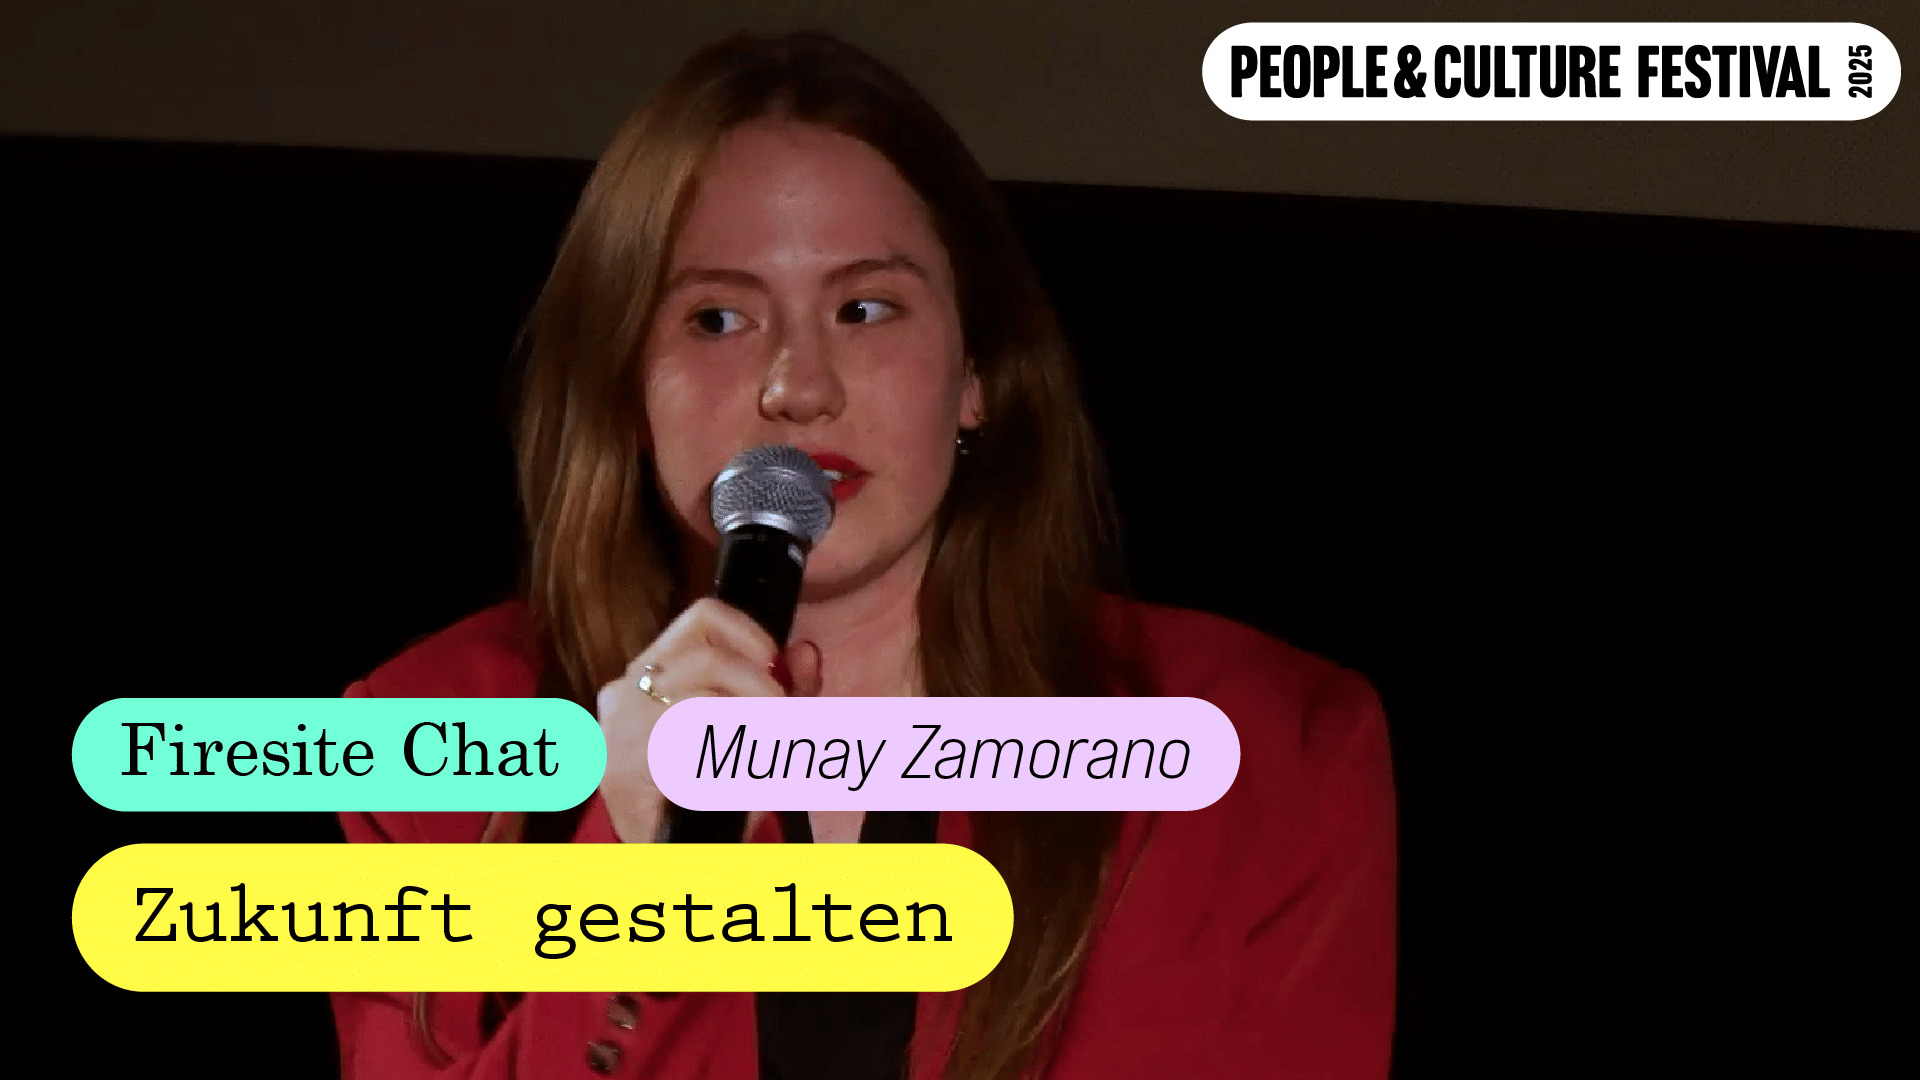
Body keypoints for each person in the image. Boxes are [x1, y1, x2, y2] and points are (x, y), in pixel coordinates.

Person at [333, 30, 1396, 1080]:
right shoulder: (425, 744)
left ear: (975, 374)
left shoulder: (1270, 748)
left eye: (866, 308)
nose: (799, 386)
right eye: (717, 319)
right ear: (625, 391)